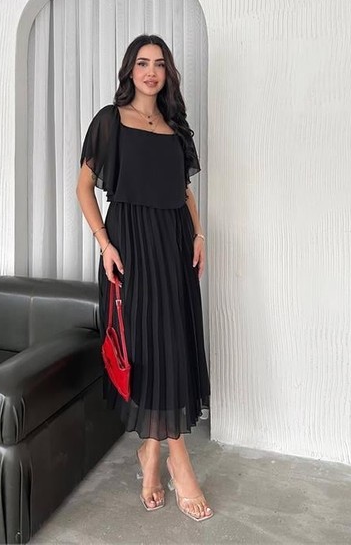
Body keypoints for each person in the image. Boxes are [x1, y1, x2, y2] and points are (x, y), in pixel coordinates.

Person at [76, 34, 213, 522]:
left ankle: (151, 453)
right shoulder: (110, 120)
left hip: (174, 243)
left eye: (158, 64)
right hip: (130, 245)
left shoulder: (176, 127)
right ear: (129, 71)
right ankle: (179, 460)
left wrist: (199, 233)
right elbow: (84, 187)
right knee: (147, 346)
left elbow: (184, 190)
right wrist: (105, 243)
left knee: (172, 343)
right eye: (142, 63)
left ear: (167, 73)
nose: (150, 71)